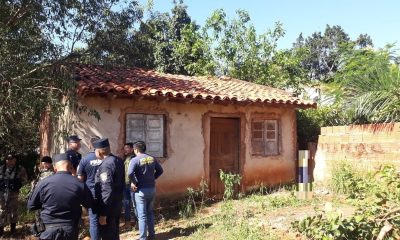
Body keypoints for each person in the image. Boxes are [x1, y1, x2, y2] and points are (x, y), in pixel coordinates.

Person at [27, 153, 93, 240]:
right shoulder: (79, 184)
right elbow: (90, 203)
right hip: (70, 229)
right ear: (71, 167)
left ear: (55, 168)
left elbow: (31, 205)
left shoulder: (44, 183)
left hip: (48, 229)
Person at [128, 141, 163, 240]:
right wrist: (152, 178)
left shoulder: (135, 160)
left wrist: (134, 182)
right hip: (151, 189)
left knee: (142, 215)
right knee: (150, 213)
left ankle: (143, 238)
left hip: (141, 191)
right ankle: (152, 235)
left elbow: (130, 173)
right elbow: (160, 171)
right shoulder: (152, 158)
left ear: (136, 149)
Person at [93, 138, 124, 240]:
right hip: (117, 202)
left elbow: (107, 189)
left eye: (95, 150)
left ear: (99, 151)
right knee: (114, 232)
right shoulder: (118, 160)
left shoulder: (106, 165)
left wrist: (103, 213)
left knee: (108, 233)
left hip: (108, 206)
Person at [77, 136, 101, 240]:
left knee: (94, 220)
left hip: (92, 193)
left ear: (90, 145)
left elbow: (80, 179)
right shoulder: (108, 158)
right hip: (107, 192)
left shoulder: (85, 159)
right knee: (107, 218)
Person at [0, 154, 28, 236]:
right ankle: (1, 230)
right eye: (8, 159)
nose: (9, 161)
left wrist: (18, 184)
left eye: (11, 159)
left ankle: (13, 230)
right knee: (1, 211)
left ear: (15, 160)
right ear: (6, 160)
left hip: (14, 193)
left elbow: (25, 179)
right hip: (2, 193)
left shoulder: (20, 169)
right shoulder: (1, 168)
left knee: (13, 211)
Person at [123, 142, 136, 227]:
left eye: (127, 148)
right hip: (125, 184)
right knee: (126, 203)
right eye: (125, 148)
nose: (125, 149)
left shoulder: (134, 158)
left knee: (134, 203)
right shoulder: (126, 158)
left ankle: (136, 221)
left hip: (131, 184)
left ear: (132, 149)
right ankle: (127, 222)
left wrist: (133, 182)